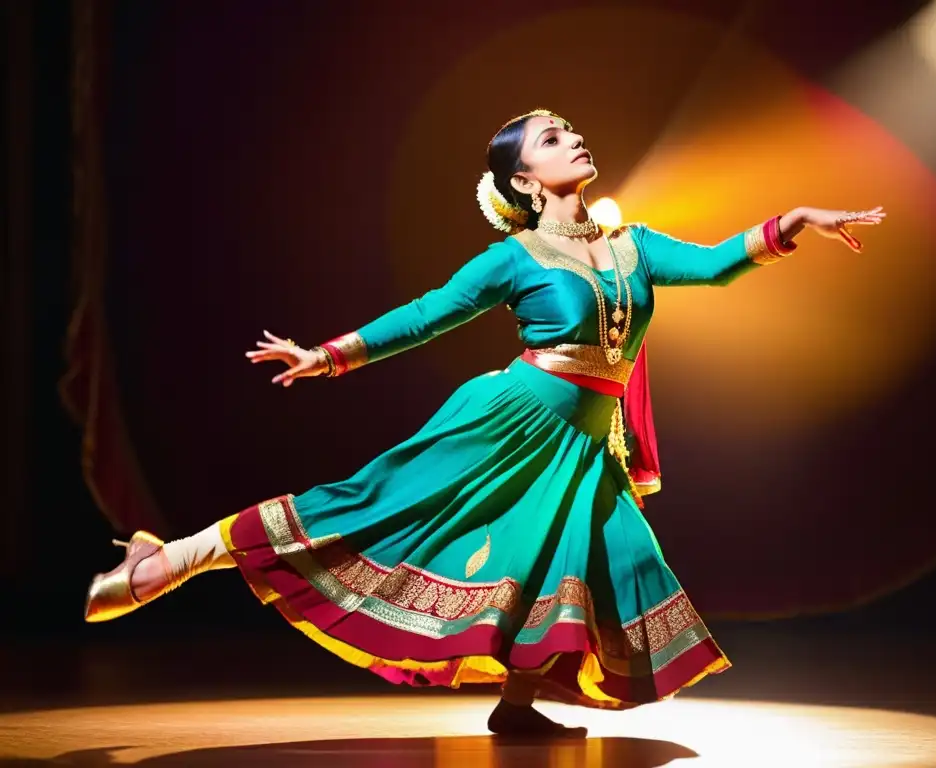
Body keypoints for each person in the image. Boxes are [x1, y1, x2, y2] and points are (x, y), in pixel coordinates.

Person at [84, 109, 885, 738]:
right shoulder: (515, 257)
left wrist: (795, 222)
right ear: (524, 178)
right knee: (364, 509)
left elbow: (713, 264)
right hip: (510, 423)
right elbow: (428, 316)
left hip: (581, 440)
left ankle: (517, 702)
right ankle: (172, 562)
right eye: (550, 137)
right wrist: (327, 355)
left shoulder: (633, 248)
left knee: (600, 559)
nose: (572, 139)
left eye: (569, 129)